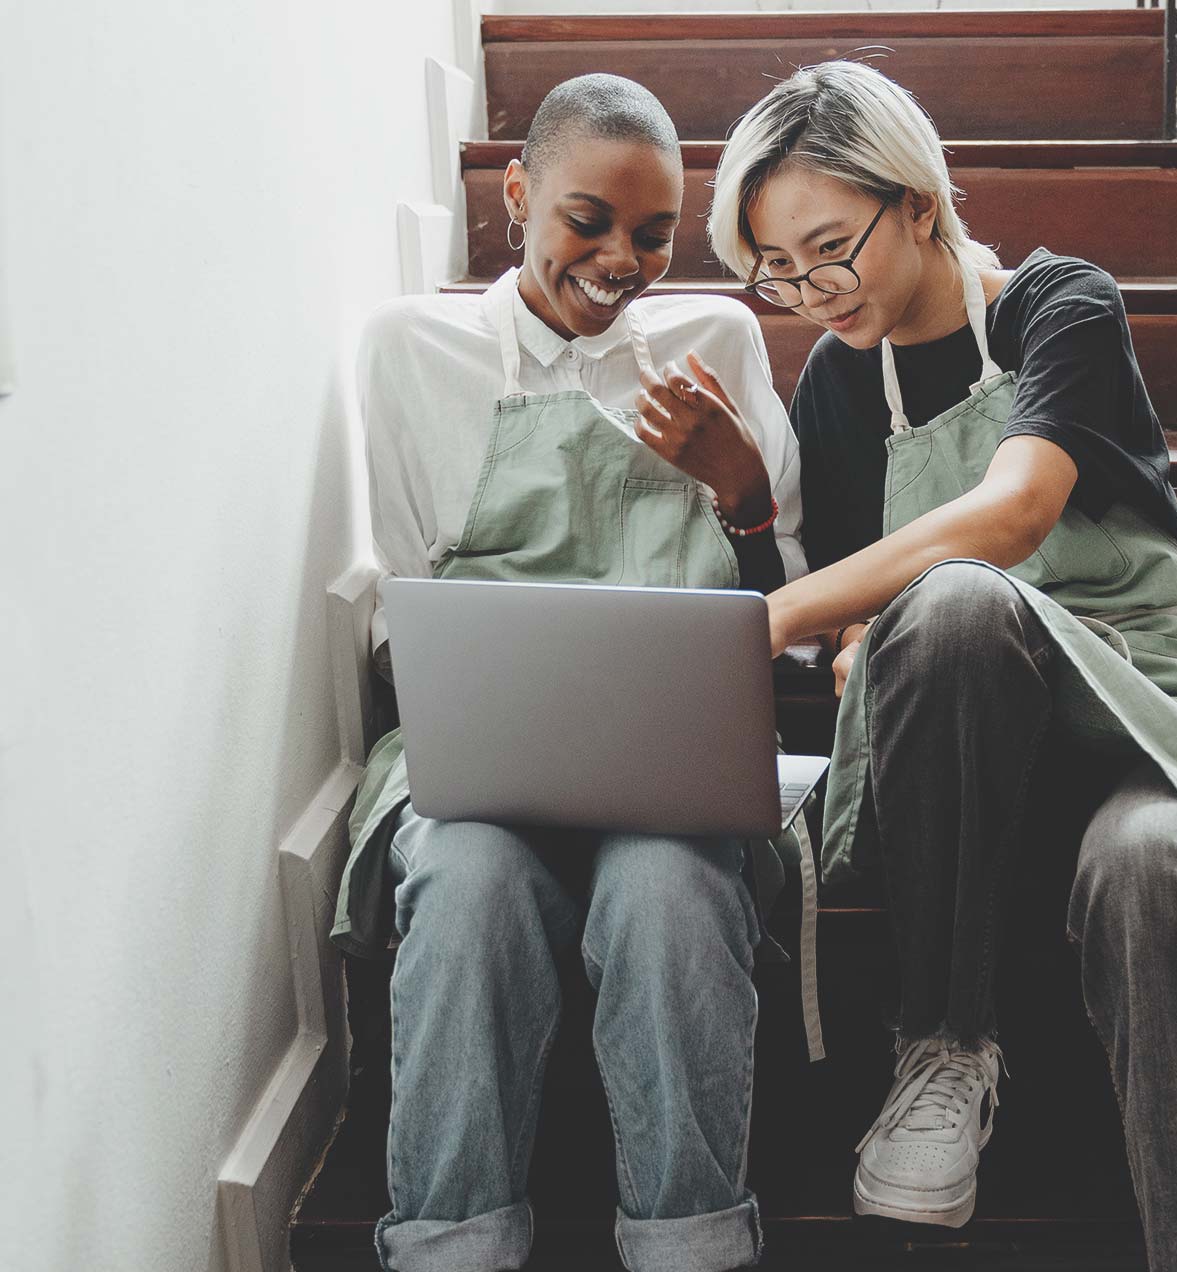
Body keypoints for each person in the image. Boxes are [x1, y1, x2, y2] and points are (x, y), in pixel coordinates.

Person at [708, 61, 1177, 1271]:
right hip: (980, 766)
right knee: (956, 616)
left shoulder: (1058, 307)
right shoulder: (834, 383)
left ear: (919, 201)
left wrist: (774, 617)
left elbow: (1015, 511)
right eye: (776, 267)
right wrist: (862, 636)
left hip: (1156, 717)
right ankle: (942, 1044)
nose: (810, 291)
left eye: (831, 246)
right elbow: (892, 614)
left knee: (1156, 865)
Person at [330, 74, 805, 1272]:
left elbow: (791, 607)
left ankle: (691, 1243)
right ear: (515, 194)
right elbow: (400, 616)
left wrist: (742, 492)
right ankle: (450, 1246)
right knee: (471, 879)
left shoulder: (718, 341)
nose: (620, 260)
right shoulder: (408, 351)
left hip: (677, 771)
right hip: (479, 768)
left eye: (653, 235)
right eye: (585, 220)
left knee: (666, 891)